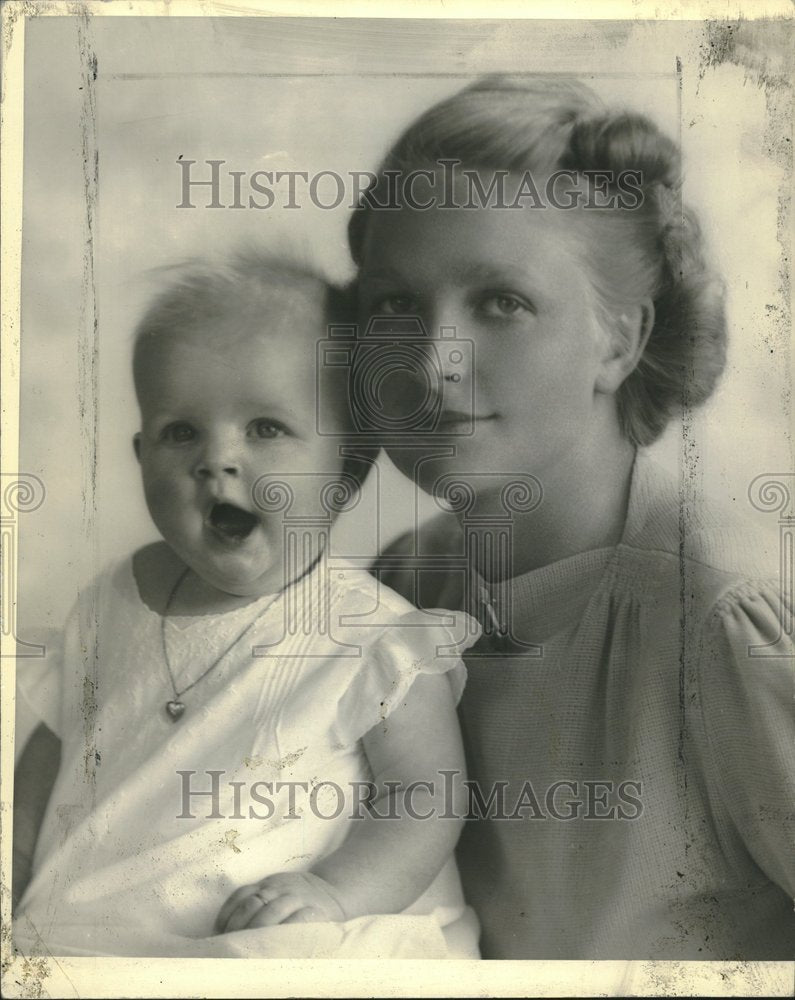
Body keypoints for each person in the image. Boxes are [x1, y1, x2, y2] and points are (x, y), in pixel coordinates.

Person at [349, 75, 795, 959]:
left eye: (501, 303)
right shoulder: (399, 587)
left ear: (619, 340)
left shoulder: (719, 623)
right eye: (396, 303)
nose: (434, 361)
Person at [12, 252, 480, 959]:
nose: (216, 460)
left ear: (345, 468)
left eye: (264, 428)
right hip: (96, 935)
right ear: (141, 457)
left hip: (274, 935)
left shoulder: (371, 638)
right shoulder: (108, 603)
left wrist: (333, 893)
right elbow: (45, 767)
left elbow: (424, 799)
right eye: (180, 432)